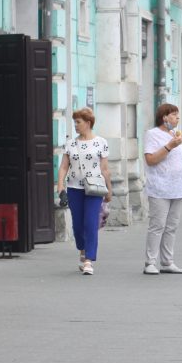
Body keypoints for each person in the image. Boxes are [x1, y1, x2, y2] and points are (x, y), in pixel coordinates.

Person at [55, 108, 111, 276]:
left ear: (88, 123)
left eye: (78, 122)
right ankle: (82, 249)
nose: (76, 126)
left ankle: (88, 260)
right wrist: (60, 186)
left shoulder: (101, 142)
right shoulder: (71, 144)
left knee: (90, 223)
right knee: (78, 225)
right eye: (75, 122)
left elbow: (105, 169)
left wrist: (109, 190)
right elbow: (64, 166)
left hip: (95, 188)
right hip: (74, 188)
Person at [142, 102, 182, 274]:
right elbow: (151, 159)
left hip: (177, 186)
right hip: (160, 186)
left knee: (172, 226)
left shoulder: (174, 134)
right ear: (164, 117)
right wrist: (170, 146)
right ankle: (150, 262)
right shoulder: (153, 134)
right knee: (158, 225)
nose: (177, 119)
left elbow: (172, 157)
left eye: (178, 116)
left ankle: (167, 261)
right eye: (173, 115)